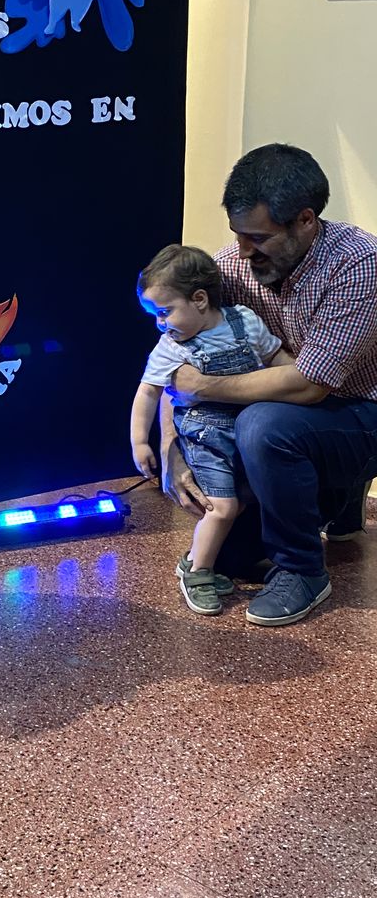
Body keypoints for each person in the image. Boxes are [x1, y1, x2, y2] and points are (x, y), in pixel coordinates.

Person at [163, 144, 377, 626]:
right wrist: (172, 445)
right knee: (233, 558)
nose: (243, 250)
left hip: (363, 407)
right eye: (238, 235)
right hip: (302, 414)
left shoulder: (360, 263)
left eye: (258, 238)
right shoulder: (231, 266)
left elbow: (311, 385)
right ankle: (338, 497)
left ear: (305, 220)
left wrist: (203, 387)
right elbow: (174, 360)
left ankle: (303, 571)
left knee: (263, 425)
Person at [131, 244, 292, 615]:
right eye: (155, 315)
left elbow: (276, 357)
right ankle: (198, 573)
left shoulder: (244, 321)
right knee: (222, 507)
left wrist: (300, 378)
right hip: (206, 438)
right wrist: (140, 441)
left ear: (200, 299)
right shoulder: (171, 347)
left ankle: (199, 561)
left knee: (245, 498)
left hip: (246, 428)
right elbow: (148, 392)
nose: (160, 323)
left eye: (164, 311)